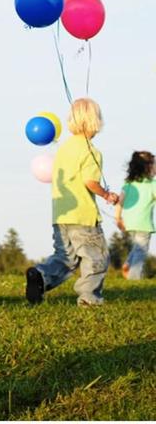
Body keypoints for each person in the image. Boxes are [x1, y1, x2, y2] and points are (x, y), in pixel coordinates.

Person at [25, 98, 119, 307]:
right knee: (96, 257)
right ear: (96, 121)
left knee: (65, 258)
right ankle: (89, 297)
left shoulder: (64, 149)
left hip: (61, 215)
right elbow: (90, 182)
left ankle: (40, 275)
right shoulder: (92, 151)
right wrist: (106, 195)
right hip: (83, 216)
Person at [115, 150, 155, 280]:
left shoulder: (128, 184)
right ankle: (133, 278)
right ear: (148, 167)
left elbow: (119, 203)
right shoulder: (152, 185)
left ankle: (128, 264)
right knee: (141, 250)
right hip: (143, 224)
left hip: (129, 223)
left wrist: (118, 218)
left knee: (138, 247)